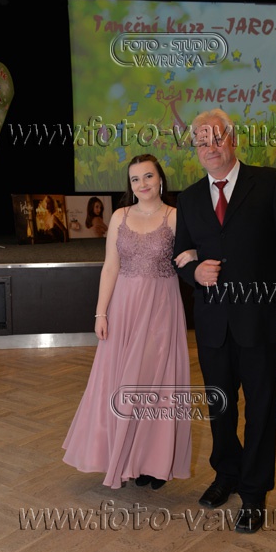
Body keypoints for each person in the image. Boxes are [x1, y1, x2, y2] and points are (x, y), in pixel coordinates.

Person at [173, 108, 276, 533]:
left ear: (232, 139)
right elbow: (180, 255)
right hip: (213, 324)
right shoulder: (189, 198)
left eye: (216, 138)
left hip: (263, 321)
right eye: (202, 142)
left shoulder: (269, 184)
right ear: (196, 150)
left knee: (262, 409)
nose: (210, 147)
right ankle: (227, 474)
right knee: (221, 407)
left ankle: (253, 493)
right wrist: (194, 272)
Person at [62, 154, 196, 490]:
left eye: (148, 176)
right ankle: (124, 458)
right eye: (135, 179)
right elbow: (110, 267)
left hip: (161, 308)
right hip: (123, 308)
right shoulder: (120, 216)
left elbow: (196, 252)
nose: (142, 184)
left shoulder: (176, 216)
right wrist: (101, 313)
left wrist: (195, 254)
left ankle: (153, 462)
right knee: (120, 382)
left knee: (156, 383)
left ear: (160, 179)